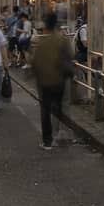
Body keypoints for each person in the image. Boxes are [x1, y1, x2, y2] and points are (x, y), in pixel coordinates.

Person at [30, 12, 73, 150]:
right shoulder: (63, 40)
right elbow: (70, 57)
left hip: (44, 83)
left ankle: (48, 141)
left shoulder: (41, 42)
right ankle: (65, 134)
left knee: (46, 111)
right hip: (60, 80)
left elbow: (35, 63)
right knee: (61, 107)